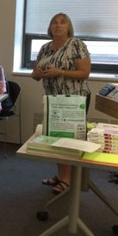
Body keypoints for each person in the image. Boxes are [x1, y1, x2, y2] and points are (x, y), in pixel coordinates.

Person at [31, 12, 91, 194]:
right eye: (54, 23)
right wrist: (38, 74)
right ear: (50, 27)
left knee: (69, 140)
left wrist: (61, 72)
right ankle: (61, 174)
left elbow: (84, 73)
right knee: (55, 139)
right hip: (53, 100)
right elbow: (34, 74)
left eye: (62, 22)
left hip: (74, 100)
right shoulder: (45, 48)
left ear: (68, 27)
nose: (58, 25)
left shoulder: (77, 44)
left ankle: (67, 179)